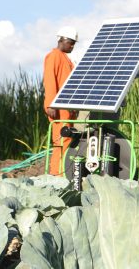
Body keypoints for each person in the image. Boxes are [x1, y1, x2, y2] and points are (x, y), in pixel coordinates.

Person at [43, 25, 79, 175]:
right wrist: (51, 103)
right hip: (58, 109)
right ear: (62, 40)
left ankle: (65, 174)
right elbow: (50, 80)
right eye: (71, 42)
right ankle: (57, 176)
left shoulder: (66, 59)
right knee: (60, 142)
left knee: (67, 142)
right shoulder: (54, 56)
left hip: (66, 108)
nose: (72, 46)